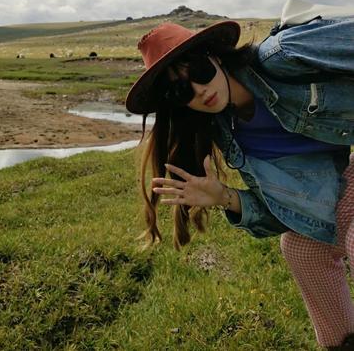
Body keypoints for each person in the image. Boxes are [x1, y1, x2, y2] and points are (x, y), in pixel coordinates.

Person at [125, 18, 354, 351]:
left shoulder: (282, 55)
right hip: (341, 181)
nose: (200, 90)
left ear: (215, 56)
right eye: (181, 90)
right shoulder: (230, 135)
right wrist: (226, 197)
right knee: (300, 248)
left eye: (200, 71)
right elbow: (294, 213)